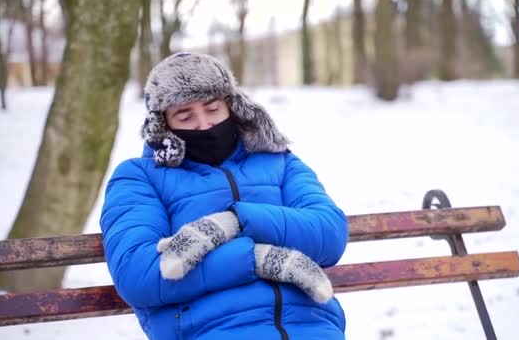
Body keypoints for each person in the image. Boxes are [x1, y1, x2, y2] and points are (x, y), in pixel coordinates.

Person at [100, 52, 349, 340]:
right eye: (185, 115)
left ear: (231, 106)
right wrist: (256, 258)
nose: (204, 124)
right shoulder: (139, 177)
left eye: (212, 108)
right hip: (212, 329)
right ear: (163, 124)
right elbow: (139, 274)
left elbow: (330, 233)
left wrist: (235, 222)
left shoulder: (279, 162)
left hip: (313, 326)